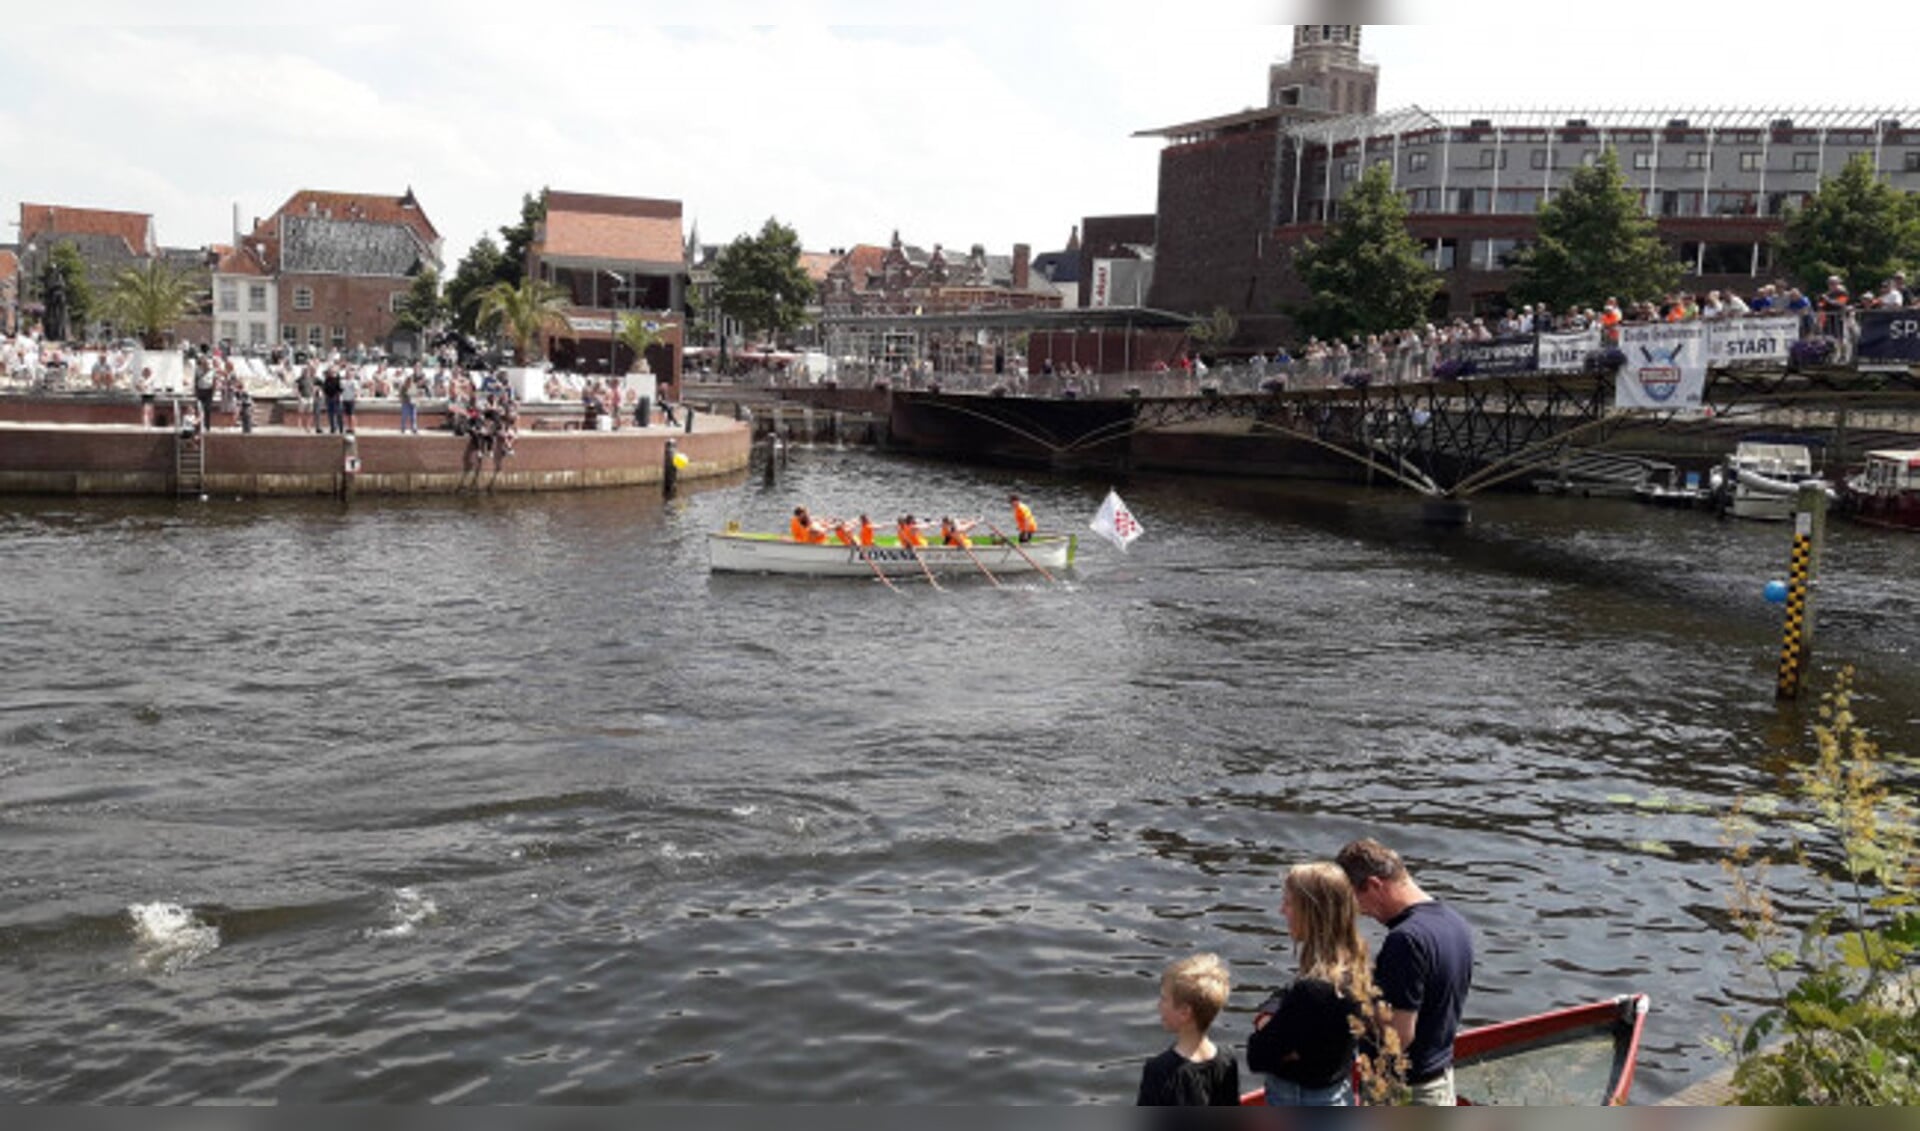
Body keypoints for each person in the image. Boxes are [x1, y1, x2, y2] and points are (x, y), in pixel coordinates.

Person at [1337, 838, 1474, 1106]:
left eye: (1357, 901)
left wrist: (1350, 1002)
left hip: (1407, 1094)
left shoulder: (1405, 940)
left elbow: (1398, 1036)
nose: (1361, 913)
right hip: (1441, 1080)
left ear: (1375, 885)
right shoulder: (1454, 921)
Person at [1246, 862, 1377, 1106]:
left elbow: (1258, 1056)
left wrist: (1266, 1021)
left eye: (1288, 903)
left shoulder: (1313, 990)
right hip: (1338, 1093)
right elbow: (1286, 995)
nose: (1282, 911)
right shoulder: (1356, 968)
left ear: (1312, 912)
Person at [1135, 953, 1240, 1106]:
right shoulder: (1228, 1060)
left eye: (1164, 999)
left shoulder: (1159, 1070)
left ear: (1185, 1012)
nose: (1159, 1006)